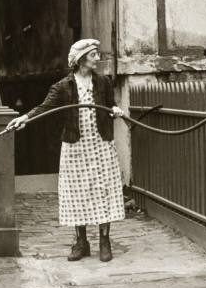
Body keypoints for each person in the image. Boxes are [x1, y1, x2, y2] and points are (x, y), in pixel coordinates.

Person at [7, 39, 125, 262]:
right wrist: (24, 118)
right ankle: (81, 243)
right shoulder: (63, 86)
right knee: (77, 194)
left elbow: (110, 105)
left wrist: (114, 110)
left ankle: (104, 241)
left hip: (101, 145)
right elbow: (44, 108)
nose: (97, 59)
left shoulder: (103, 82)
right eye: (93, 55)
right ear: (81, 59)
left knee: (103, 190)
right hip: (75, 146)